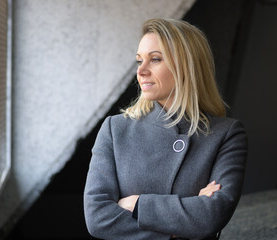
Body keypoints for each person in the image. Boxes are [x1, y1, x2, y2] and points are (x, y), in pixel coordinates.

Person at [83, 18, 248, 240]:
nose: (141, 71)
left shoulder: (226, 134)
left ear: (186, 66)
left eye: (155, 59)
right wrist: (181, 227)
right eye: (139, 60)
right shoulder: (116, 129)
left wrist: (137, 204)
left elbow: (212, 215)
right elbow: (98, 218)